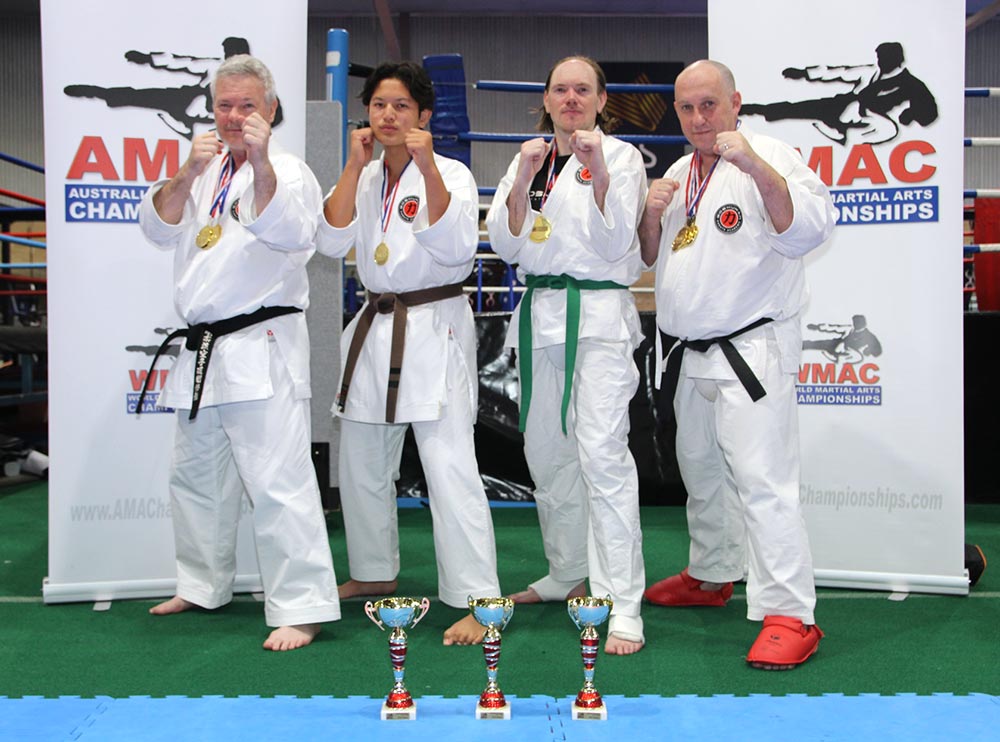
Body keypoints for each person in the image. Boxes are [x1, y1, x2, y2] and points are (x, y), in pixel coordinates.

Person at [137, 55, 341, 651]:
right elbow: (157, 227)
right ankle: (201, 584)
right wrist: (184, 173)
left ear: (270, 110)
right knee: (196, 474)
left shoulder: (290, 170)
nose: (233, 116)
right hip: (203, 347)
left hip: (261, 342)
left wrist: (260, 166)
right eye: (224, 105)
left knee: (278, 480)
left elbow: (295, 234)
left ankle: (302, 605)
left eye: (247, 105)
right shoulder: (202, 169)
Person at [638, 60, 836, 669]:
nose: (699, 118)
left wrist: (753, 164)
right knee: (701, 470)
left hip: (752, 350)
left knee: (763, 483)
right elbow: (650, 257)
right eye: (687, 108)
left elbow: (808, 231)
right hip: (691, 351)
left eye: (709, 105)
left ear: (734, 103)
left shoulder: (770, 153)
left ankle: (789, 612)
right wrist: (650, 212)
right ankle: (713, 573)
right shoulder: (677, 172)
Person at [316, 61, 500, 646]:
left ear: (424, 116)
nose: (388, 115)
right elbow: (330, 240)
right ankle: (373, 572)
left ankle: (478, 597)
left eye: (401, 106)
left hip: (432, 324)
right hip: (376, 323)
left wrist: (425, 167)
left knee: (449, 467)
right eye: (378, 105)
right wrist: (351, 165)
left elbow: (456, 250)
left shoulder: (451, 173)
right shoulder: (365, 178)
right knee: (363, 459)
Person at [486, 56, 648, 655]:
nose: (572, 98)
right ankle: (567, 570)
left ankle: (621, 601)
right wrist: (525, 178)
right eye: (561, 89)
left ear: (602, 100)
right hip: (540, 318)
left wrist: (599, 171)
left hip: (598, 320)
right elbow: (504, 244)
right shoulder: (528, 157)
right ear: (547, 99)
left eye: (583, 89)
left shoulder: (623, 156)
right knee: (547, 452)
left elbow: (615, 242)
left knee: (603, 455)